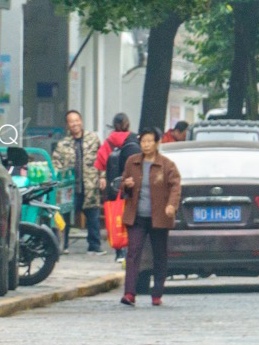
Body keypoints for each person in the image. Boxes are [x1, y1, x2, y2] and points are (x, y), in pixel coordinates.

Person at [117, 127, 182, 307]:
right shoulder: (132, 162)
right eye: (142, 141)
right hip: (136, 216)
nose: (145, 145)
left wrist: (171, 205)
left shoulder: (167, 165)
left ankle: (157, 293)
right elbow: (123, 183)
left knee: (159, 255)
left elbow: (176, 187)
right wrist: (126, 184)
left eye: (149, 141)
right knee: (133, 253)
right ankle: (130, 293)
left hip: (159, 217)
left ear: (157, 143)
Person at [52, 110, 104, 253]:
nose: (74, 124)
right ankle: (63, 245)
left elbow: (102, 158)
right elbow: (56, 163)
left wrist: (103, 177)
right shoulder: (63, 144)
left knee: (93, 216)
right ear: (67, 125)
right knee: (64, 216)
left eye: (76, 120)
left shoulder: (93, 139)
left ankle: (94, 246)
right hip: (69, 187)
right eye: (71, 121)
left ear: (81, 121)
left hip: (90, 184)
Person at [96, 114, 139, 262]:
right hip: (132, 185)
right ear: (127, 123)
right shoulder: (134, 139)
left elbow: (100, 161)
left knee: (116, 217)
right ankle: (131, 250)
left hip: (114, 186)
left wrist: (103, 177)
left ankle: (119, 252)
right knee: (132, 218)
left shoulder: (109, 142)